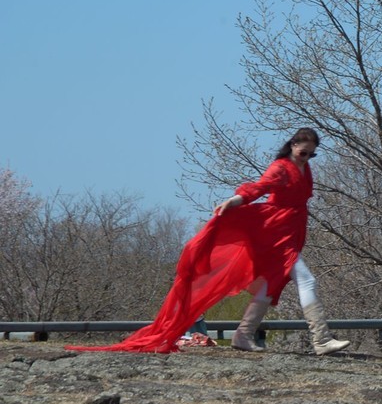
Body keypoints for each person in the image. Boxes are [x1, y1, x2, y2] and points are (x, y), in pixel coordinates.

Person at [68, 128, 349, 356]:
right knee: (306, 280)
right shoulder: (281, 167)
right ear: (292, 145)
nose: (307, 157)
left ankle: (243, 335)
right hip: (275, 233)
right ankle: (321, 339)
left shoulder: (304, 169)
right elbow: (259, 188)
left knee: (267, 286)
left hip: (292, 230)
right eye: (303, 152)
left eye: (312, 154)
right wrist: (235, 200)